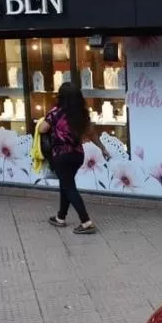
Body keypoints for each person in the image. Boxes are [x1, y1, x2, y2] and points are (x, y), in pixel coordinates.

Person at [38, 82, 108, 234]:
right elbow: (91, 133)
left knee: (69, 186)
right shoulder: (82, 114)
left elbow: (43, 128)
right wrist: (102, 148)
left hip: (61, 156)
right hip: (77, 155)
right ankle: (60, 217)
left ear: (61, 97)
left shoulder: (55, 112)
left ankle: (86, 222)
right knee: (66, 183)